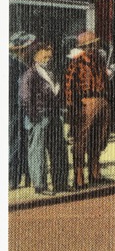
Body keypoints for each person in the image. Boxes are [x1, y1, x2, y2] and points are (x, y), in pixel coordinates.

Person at [19, 42, 70, 195]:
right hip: (39, 118)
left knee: (59, 149)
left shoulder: (52, 72)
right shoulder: (30, 74)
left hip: (54, 116)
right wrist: (35, 117)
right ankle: (40, 186)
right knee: (38, 152)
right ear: (36, 56)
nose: (49, 58)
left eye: (50, 55)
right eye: (45, 55)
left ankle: (60, 183)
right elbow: (26, 98)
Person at [63, 31, 112, 188]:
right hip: (85, 103)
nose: (93, 47)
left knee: (99, 138)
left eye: (94, 44)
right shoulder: (76, 63)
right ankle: (79, 177)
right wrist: (72, 108)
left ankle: (95, 173)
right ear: (83, 47)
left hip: (101, 101)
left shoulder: (99, 62)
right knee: (80, 141)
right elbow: (69, 87)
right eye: (90, 45)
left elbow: (105, 82)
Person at [9, 32, 35, 190]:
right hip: (15, 108)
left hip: (19, 108)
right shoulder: (14, 65)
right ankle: (13, 177)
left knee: (22, 141)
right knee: (15, 141)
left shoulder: (20, 63)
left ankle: (22, 175)